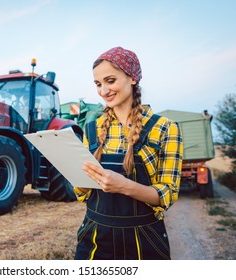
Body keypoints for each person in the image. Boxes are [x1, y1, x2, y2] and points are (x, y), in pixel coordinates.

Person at [74, 46, 183, 260]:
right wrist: (76, 175)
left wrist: (124, 186)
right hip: (95, 236)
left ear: (132, 78)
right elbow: (82, 193)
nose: (103, 91)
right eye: (98, 84)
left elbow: (167, 194)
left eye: (110, 81)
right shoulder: (92, 129)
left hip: (144, 239)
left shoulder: (165, 128)